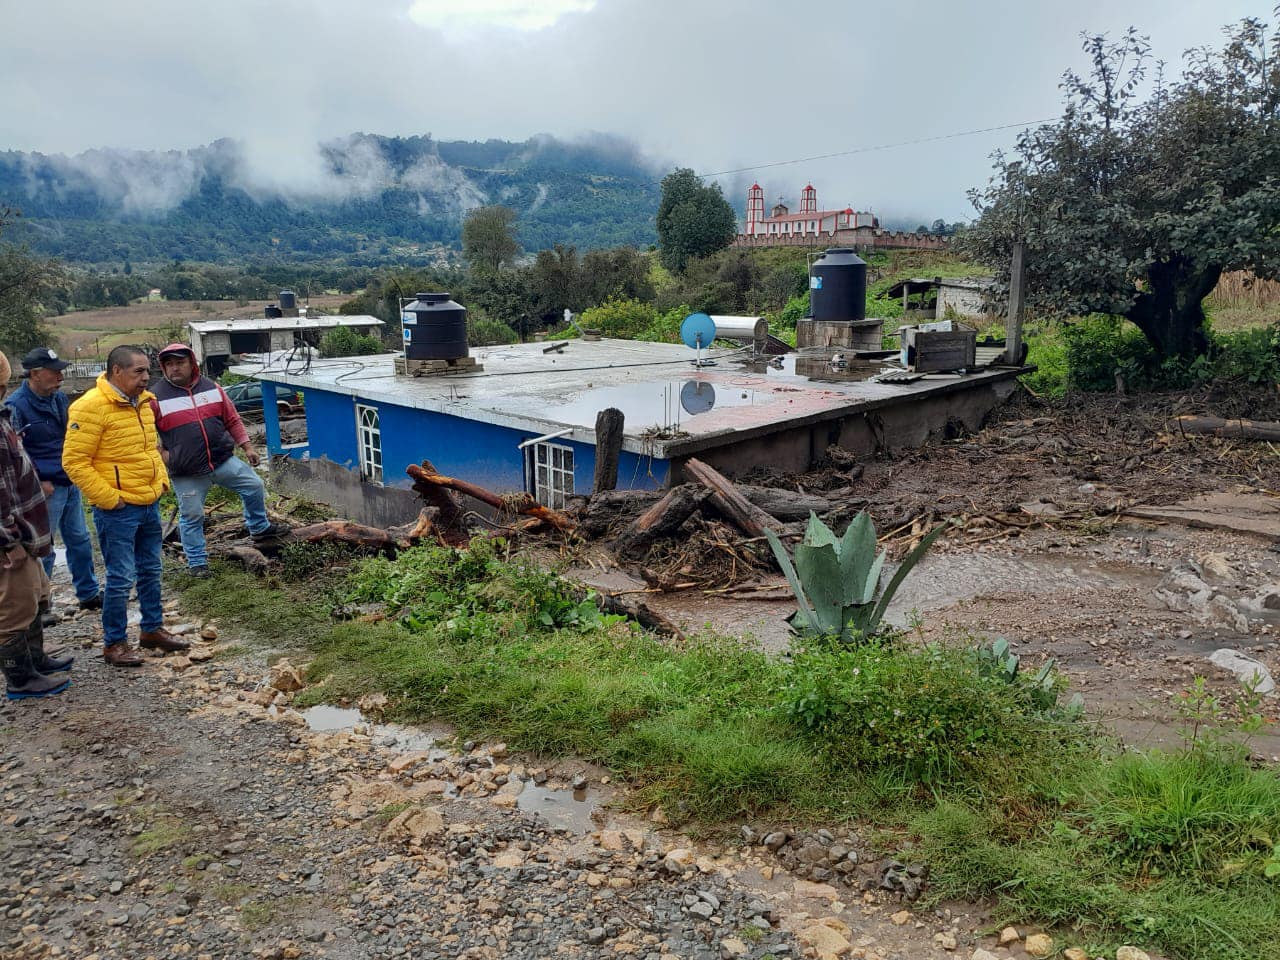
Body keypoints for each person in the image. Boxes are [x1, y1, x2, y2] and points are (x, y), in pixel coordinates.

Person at [63, 345, 188, 667]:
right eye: (139, 372)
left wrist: (160, 482)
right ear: (117, 371)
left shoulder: (144, 404)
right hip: (118, 508)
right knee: (120, 577)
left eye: (148, 371)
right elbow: (75, 462)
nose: (147, 378)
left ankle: (151, 629)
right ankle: (114, 643)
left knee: (151, 569)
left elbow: (150, 449)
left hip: (149, 501)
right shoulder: (90, 407)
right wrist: (110, 499)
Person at [150, 343, 288, 576]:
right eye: (169, 364)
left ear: (191, 364)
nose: (175, 368)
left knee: (254, 485)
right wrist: (164, 456)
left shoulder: (212, 388)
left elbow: (232, 419)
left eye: (180, 363)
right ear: (164, 368)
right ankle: (197, 563)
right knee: (192, 516)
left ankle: (259, 528)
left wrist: (248, 446)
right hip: (186, 472)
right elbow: (142, 433)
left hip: (222, 461)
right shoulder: (155, 398)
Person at [4, 347, 102, 616]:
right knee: (43, 546)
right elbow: (17, 452)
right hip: (45, 488)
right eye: (54, 371)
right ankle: (41, 605)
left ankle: (88, 593)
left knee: (80, 540)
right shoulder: (16, 406)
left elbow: (70, 437)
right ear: (35, 374)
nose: (61, 376)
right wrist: (38, 482)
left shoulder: (58, 399)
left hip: (69, 481)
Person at [0, 350, 72, 699]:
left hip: (25, 524)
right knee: (14, 606)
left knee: (33, 594)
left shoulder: (5, 415)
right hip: (11, 533)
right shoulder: (14, 408)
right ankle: (20, 679)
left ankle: (37, 660)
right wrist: (7, 540)